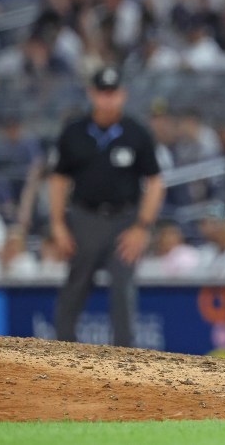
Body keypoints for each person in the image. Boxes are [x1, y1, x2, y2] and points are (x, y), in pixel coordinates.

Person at [50, 65, 166, 347]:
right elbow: (58, 180)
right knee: (75, 285)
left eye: (112, 93)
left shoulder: (136, 133)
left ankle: (125, 360)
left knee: (123, 290)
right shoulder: (74, 132)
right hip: (85, 218)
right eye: (102, 93)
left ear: (122, 95)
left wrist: (142, 226)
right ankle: (61, 353)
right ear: (92, 94)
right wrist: (57, 224)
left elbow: (155, 182)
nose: (107, 99)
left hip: (124, 221)